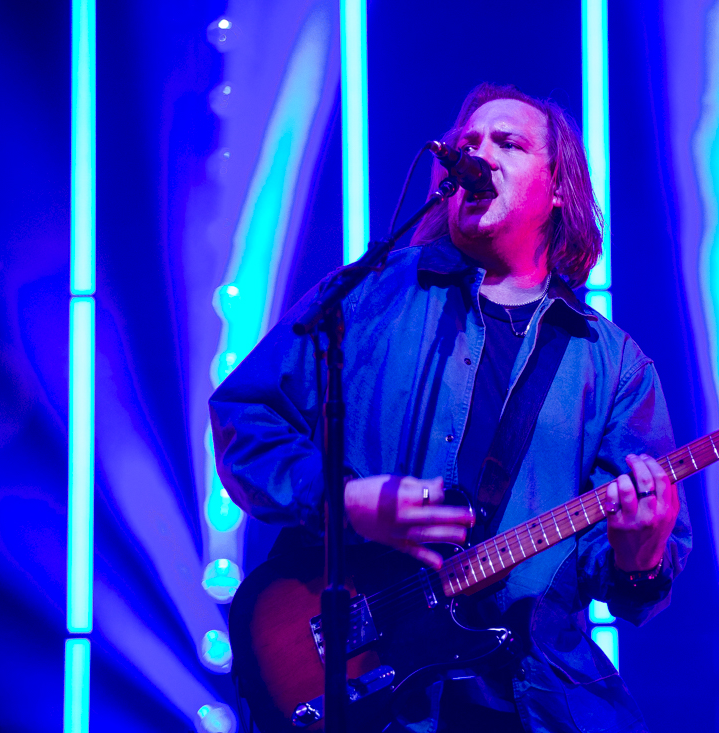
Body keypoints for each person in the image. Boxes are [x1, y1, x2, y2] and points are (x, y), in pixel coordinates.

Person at [210, 82, 691, 733]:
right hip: (365, 680)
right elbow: (247, 416)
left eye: (507, 143)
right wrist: (344, 501)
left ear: (557, 189)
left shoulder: (614, 365)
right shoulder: (369, 297)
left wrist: (640, 551)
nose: (478, 153)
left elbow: (625, 574)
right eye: (466, 144)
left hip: (530, 696)